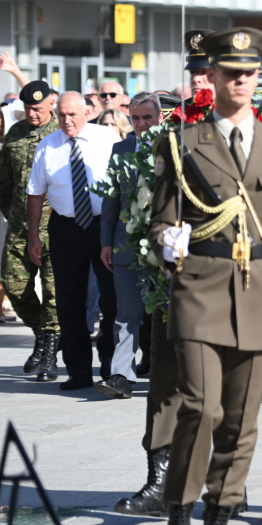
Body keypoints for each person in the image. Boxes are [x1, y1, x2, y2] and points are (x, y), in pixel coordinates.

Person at [147, 28, 262, 522]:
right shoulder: (181, 143)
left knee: (240, 420)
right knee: (200, 406)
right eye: (230, 73)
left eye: (248, 73)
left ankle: (221, 507)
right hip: (199, 288)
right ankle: (179, 504)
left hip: (258, 292)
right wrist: (165, 242)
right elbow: (158, 220)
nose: (239, 81)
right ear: (211, 77)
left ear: (257, 78)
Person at [112, 30, 229, 518]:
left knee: (223, 390)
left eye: (207, 72)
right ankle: (159, 478)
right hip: (173, 280)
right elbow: (150, 207)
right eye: (194, 73)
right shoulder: (168, 135)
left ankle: (223, 487)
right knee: (163, 379)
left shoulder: (253, 129)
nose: (198, 81)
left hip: (228, 285)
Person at [25, 92, 119, 391]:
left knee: (112, 298)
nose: (67, 121)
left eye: (73, 115)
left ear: (87, 113)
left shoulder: (108, 139)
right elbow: (35, 193)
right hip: (65, 228)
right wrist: (33, 237)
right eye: (62, 115)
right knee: (70, 301)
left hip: (104, 226)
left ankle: (110, 363)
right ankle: (78, 371)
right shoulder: (47, 146)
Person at [96, 93, 163, 400]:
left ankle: (168, 374)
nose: (141, 124)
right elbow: (112, 199)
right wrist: (106, 243)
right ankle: (122, 374)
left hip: (165, 247)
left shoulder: (174, 146)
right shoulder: (120, 148)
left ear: (159, 117)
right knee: (127, 314)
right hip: (126, 246)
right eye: (135, 118)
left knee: (167, 314)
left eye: (147, 117)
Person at [0, 81, 60, 382]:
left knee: (53, 292)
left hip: (55, 227)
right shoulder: (16, 133)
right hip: (20, 225)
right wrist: (12, 214)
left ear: (51, 102)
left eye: (37, 108)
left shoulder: (62, 133)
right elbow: (5, 182)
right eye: (26, 109)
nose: (31, 114)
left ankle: (49, 352)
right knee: (13, 283)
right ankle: (40, 332)